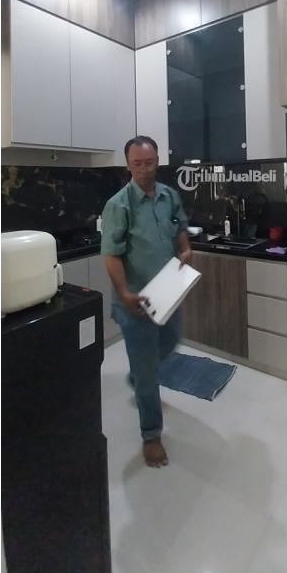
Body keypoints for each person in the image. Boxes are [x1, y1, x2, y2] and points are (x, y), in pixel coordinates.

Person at [100, 136, 192, 467]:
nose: (143, 169)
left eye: (149, 162)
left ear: (158, 162)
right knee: (147, 370)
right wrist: (124, 293)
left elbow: (179, 227)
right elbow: (111, 255)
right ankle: (151, 435)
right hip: (135, 300)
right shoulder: (118, 205)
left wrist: (185, 248)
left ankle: (137, 379)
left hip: (167, 293)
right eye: (137, 164)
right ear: (128, 165)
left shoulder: (169, 196)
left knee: (170, 341)